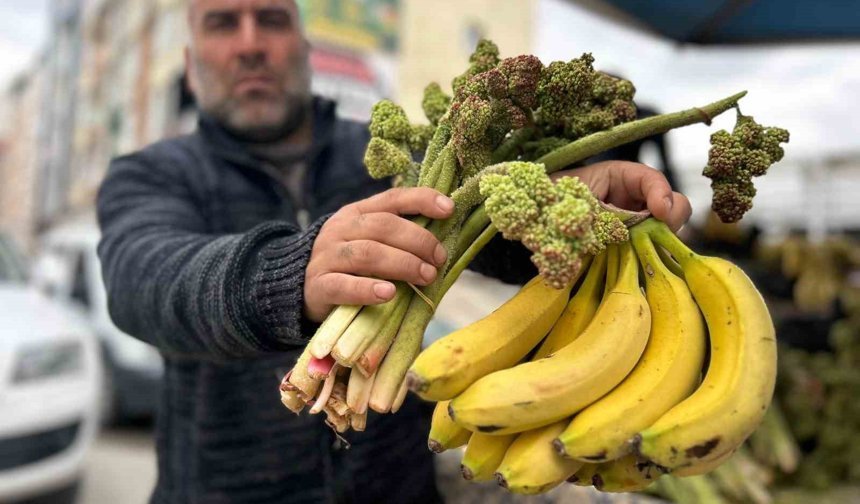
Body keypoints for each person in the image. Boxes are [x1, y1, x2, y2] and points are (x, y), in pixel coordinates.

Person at [96, 1, 692, 503]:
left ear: (304, 46)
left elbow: (479, 238)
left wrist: (553, 214)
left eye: (273, 19)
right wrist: (291, 273)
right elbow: (144, 278)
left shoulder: (387, 155)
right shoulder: (150, 175)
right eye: (223, 23)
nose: (251, 45)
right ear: (190, 62)